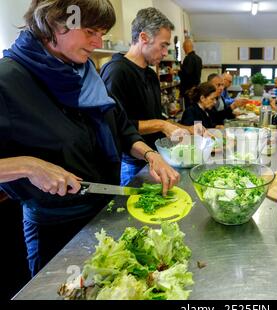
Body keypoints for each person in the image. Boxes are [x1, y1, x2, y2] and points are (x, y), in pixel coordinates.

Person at [0, 0, 179, 276]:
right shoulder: (8, 80)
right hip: (55, 230)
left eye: (102, 32)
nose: (98, 42)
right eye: (90, 32)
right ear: (54, 22)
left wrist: (149, 154)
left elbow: (118, 125)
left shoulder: (84, 72)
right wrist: (29, 165)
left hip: (102, 213)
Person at [100, 8, 202, 186]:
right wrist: (162, 125)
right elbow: (115, 126)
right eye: (163, 45)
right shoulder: (117, 71)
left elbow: (156, 118)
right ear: (144, 37)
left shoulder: (151, 75)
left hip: (155, 158)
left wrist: (189, 129)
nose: (164, 53)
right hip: (132, 163)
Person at [178, 38, 202, 106]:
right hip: (196, 88)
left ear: (186, 47)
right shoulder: (199, 59)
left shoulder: (188, 58)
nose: (183, 48)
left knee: (189, 108)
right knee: (195, 107)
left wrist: (177, 72)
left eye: (183, 47)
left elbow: (186, 74)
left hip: (189, 90)